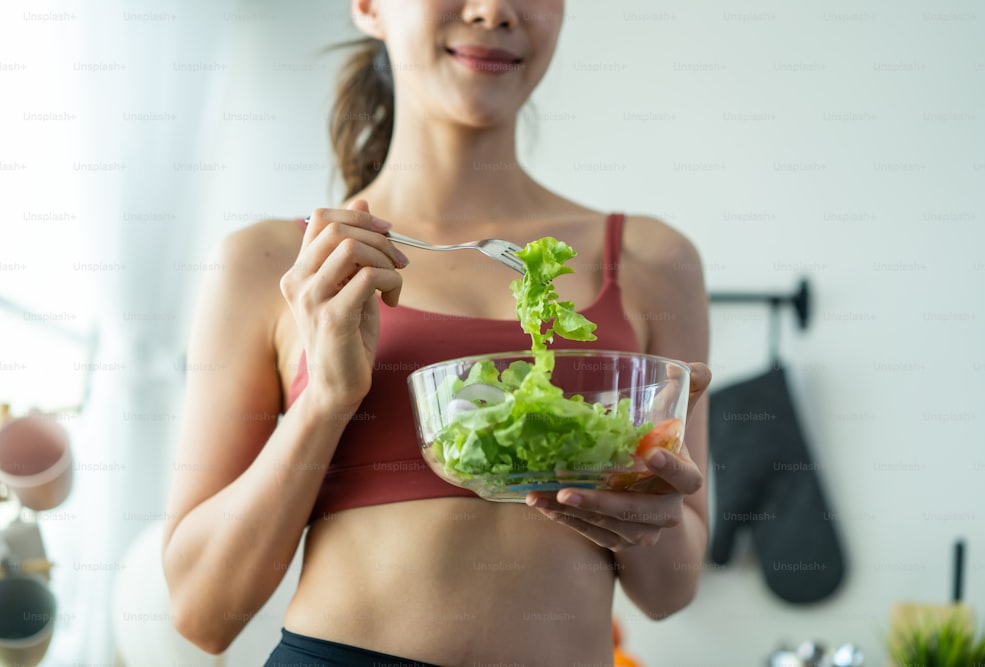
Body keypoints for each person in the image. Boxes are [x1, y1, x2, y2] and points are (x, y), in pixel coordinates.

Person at [161, 1, 711, 665]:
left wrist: (645, 503)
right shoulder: (274, 262)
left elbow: (669, 591)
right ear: (368, 7)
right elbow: (201, 610)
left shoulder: (654, 261)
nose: (494, 10)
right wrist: (325, 400)